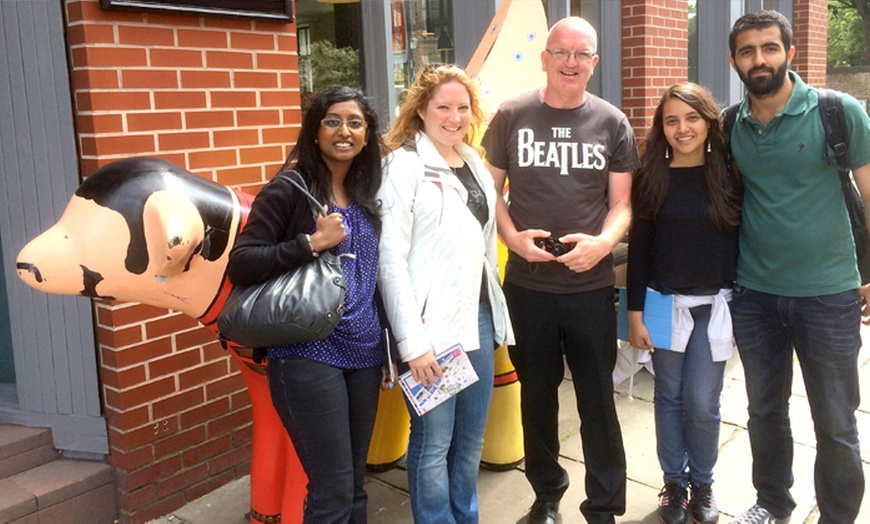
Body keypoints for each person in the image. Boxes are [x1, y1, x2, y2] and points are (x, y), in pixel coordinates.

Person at [481, 16, 640, 524]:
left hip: (590, 288)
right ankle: (546, 496)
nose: (570, 62)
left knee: (597, 399)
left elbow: (623, 204)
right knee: (537, 397)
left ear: (594, 63)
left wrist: (604, 245)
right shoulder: (510, 115)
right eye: (561, 52)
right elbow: (487, 193)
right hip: (528, 288)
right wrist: (510, 238)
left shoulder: (613, 123)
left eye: (582, 54)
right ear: (544, 57)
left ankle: (603, 506)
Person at [726, 10, 870, 524]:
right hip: (755, 295)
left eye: (769, 47)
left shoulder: (838, 111)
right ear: (735, 60)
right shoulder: (730, 124)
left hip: (829, 294)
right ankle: (772, 503)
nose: (758, 58)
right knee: (764, 412)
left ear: (790, 53)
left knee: (835, 421)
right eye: (747, 50)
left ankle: (837, 516)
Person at [226, 85, 391, 523]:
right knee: (333, 490)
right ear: (314, 131)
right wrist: (311, 243)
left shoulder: (367, 192)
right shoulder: (291, 188)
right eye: (332, 121)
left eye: (355, 123)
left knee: (354, 485)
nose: (344, 131)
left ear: (367, 134)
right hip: (307, 354)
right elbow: (241, 264)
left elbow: (372, 277)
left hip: (364, 354)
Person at [378, 63, 514, 524]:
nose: (454, 117)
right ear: (420, 110)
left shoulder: (473, 161)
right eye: (443, 107)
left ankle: (465, 515)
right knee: (434, 440)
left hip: (476, 317)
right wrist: (413, 344)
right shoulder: (403, 165)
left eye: (463, 107)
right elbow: (389, 260)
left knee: (471, 437)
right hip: (431, 329)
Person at [627, 82, 740, 524]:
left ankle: (703, 484)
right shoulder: (651, 177)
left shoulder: (729, 176)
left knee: (702, 400)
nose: (682, 128)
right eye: (671, 120)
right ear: (662, 128)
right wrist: (635, 313)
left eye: (692, 118)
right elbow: (639, 250)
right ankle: (674, 483)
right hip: (662, 305)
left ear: (709, 122)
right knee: (669, 396)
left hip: (715, 307)